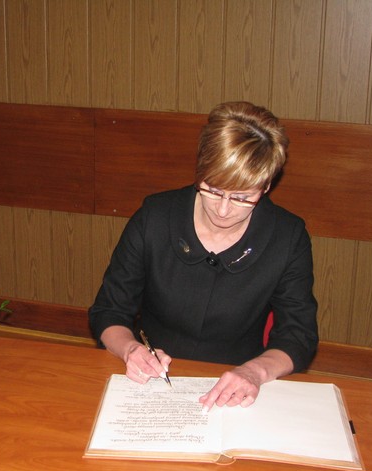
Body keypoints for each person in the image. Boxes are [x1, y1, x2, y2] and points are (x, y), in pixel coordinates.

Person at [89, 101, 318, 412]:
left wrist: (254, 372)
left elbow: (298, 335)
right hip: (153, 381)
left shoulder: (287, 237)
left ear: (266, 185)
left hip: (238, 386)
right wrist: (130, 349)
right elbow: (109, 310)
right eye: (212, 189)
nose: (223, 210)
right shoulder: (155, 217)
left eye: (242, 198)